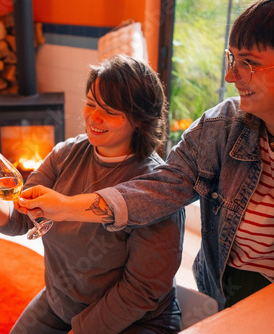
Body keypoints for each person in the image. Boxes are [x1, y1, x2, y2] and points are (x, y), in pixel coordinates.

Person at [18, 0, 274, 311]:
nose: (230, 77)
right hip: (227, 287)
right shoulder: (221, 127)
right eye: (231, 59)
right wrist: (64, 207)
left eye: (247, 62)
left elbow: (143, 288)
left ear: (139, 120)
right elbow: (160, 190)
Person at [0, 54, 184, 333]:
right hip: (61, 302)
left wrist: (81, 329)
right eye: (90, 103)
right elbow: (21, 219)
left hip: (134, 319)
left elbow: (142, 290)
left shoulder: (155, 187)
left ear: (140, 120)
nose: (94, 117)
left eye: (110, 112)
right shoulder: (67, 153)